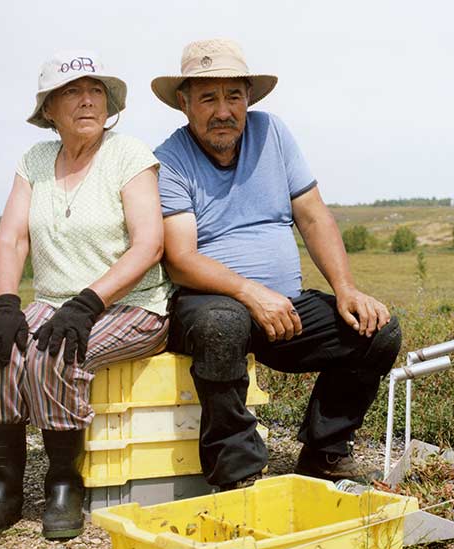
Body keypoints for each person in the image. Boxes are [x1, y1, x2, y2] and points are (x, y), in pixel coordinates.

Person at [151, 39, 402, 491]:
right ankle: (237, 473)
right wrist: (249, 292)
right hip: (210, 303)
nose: (223, 110)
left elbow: (312, 213)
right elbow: (182, 260)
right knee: (222, 323)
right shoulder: (169, 160)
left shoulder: (273, 134)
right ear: (184, 104)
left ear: (249, 99)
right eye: (208, 98)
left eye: (234, 96)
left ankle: (325, 453)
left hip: (285, 304)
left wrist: (346, 288)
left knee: (376, 330)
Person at [0, 51, 173, 540]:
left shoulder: (129, 155)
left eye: (95, 90)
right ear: (49, 111)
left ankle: (62, 482)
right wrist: (5, 304)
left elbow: (150, 243)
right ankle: (4, 489)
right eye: (71, 92)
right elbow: (12, 238)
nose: (86, 100)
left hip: (132, 303)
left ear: (109, 102)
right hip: (55, 300)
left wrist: (88, 302)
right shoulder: (34, 160)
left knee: (52, 353)